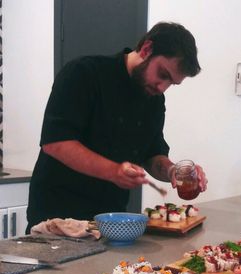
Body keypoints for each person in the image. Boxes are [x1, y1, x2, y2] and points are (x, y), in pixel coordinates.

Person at [26, 21, 207, 232]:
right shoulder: (84, 73)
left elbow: (153, 153)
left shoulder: (154, 100)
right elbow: (56, 143)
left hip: (111, 222)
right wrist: (113, 171)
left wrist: (172, 170)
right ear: (147, 49)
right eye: (163, 74)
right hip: (57, 217)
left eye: (171, 83)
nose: (162, 87)